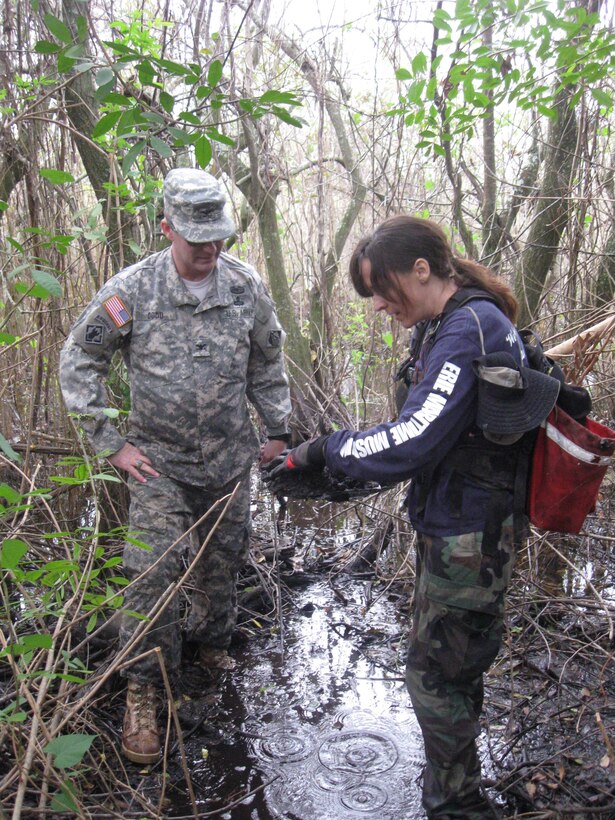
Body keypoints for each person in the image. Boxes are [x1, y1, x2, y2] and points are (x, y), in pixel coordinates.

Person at [264, 215, 560, 820]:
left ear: (421, 270)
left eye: (381, 288)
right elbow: (432, 437)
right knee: (451, 669)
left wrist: (325, 450)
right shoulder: (444, 325)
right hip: (457, 525)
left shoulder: (468, 328)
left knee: (436, 678)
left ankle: (456, 806)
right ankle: (454, 786)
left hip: (470, 538)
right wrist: (334, 474)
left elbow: (414, 437)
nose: (376, 305)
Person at [60, 168, 292, 765]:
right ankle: (143, 688)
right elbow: (78, 363)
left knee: (224, 561)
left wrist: (278, 429)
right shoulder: (130, 291)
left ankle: (211, 649)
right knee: (150, 573)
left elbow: (268, 361)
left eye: (218, 238)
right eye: (197, 239)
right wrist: (108, 442)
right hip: (157, 464)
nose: (210, 250)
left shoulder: (245, 289)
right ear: (166, 229)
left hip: (229, 460)